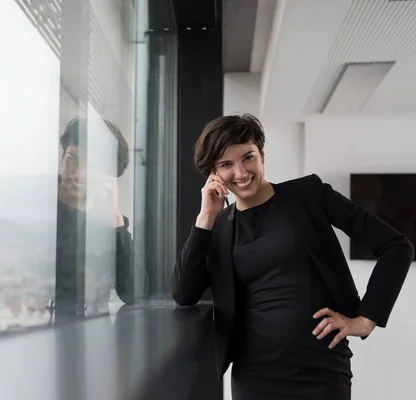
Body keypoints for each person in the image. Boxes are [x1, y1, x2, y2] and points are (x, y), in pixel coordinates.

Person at [172, 113, 414, 399]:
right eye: (226, 164)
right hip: (254, 375)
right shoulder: (219, 225)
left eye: (248, 157)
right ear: (213, 173)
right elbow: (184, 293)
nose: (240, 172)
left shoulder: (308, 194)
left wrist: (365, 319)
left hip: (321, 369)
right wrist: (206, 216)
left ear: (262, 154)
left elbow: (397, 246)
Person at [54, 117, 146, 323]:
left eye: (92, 164)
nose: (79, 173)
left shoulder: (108, 221)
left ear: (109, 174)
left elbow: (135, 292)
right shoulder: (45, 208)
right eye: (72, 159)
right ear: (61, 158)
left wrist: (115, 220)